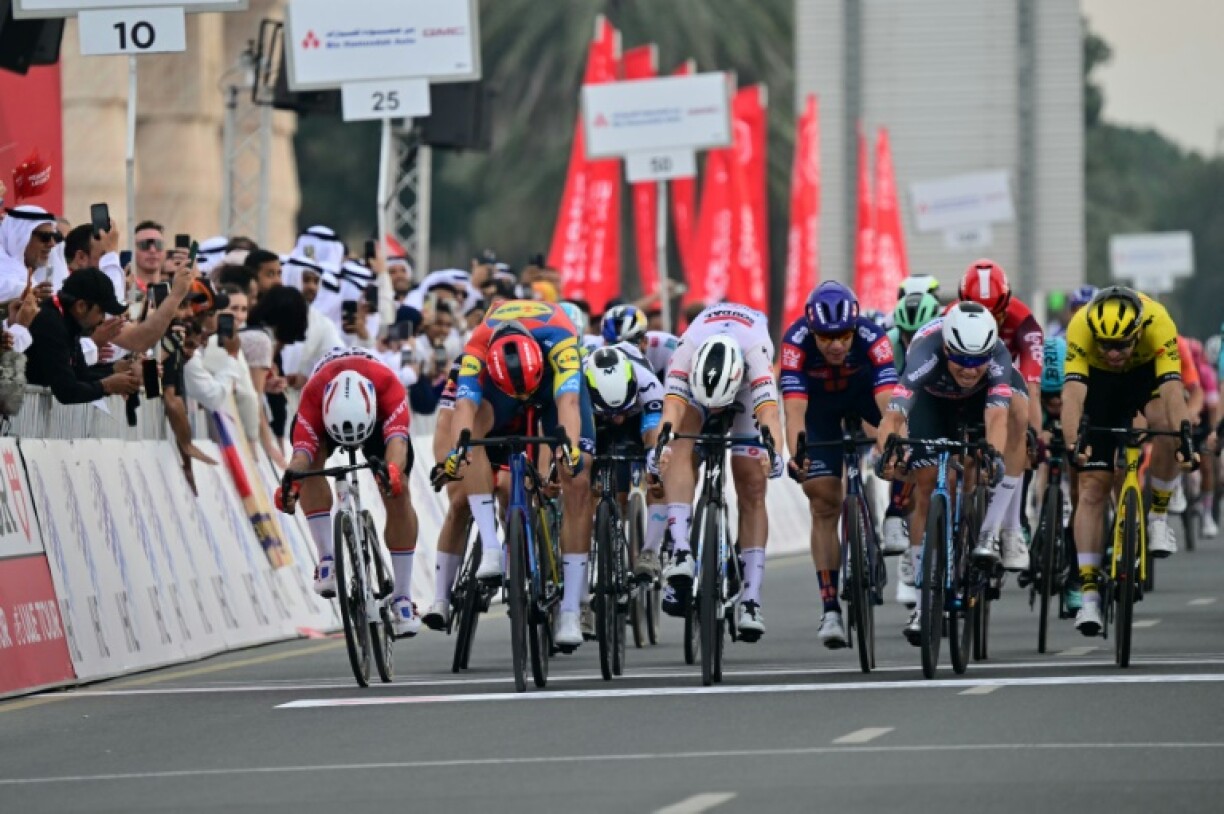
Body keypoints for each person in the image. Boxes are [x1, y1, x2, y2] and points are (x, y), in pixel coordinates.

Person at [437, 299, 594, 648]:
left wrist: (566, 449)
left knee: (579, 478)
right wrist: (457, 451)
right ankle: (491, 546)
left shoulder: (563, 340)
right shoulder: (476, 346)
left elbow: (568, 405)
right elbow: (463, 407)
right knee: (471, 436)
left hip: (550, 381)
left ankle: (570, 610)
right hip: (500, 384)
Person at [875, 302, 1023, 644]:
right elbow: (895, 415)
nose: (970, 369)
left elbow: (996, 418)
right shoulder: (925, 350)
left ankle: (983, 532)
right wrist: (888, 451)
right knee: (928, 485)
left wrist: (994, 456)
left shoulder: (997, 358)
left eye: (977, 361)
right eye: (962, 359)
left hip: (979, 403)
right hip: (933, 401)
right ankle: (923, 600)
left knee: (1005, 428)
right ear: (946, 347)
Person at [1059, 287, 1195, 636]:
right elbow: (1073, 395)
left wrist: (1184, 440)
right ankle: (1088, 595)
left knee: (1165, 425)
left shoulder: (1159, 322)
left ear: (1138, 331)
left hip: (1145, 376)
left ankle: (1159, 516)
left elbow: (1171, 391)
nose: (1114, 352)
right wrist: (1074, 443)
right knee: (1092, 487)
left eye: (1122, 344)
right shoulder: (1080, 326)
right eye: (1106, 344)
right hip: (1098, 385)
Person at [653, 302, 785, 640]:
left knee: (752, 482)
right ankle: (681, 547)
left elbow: (770, 416)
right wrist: (661, 449)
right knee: (680, 447)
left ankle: (751, 600)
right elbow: (670, 412)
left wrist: (775, 453)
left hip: (742, 393)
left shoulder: (757, 354)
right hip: (700, 387)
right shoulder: (686, 350)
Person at [781, 282, 898, 648]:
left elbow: (889, 405)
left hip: (864, 399)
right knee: (823, 501)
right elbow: (794, 412)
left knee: (906, 452)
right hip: (819, 413)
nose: (835, 345)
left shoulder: (873, 337)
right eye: (826, 338)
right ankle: (830, 608)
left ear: (855, 328)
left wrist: (893, 444)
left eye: (844, 337)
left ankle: (894, 514)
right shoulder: (795, 341)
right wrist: (798, 455)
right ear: (812, 331)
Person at [275, 346, 421, 637]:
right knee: (309, 468)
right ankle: (327, 558)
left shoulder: (389, 388)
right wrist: (291, 482)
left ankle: (402, 597)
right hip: (323, 410)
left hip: (377, 418)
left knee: (398, 490)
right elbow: (300, 457)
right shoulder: (312, 397)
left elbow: (397, 446)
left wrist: (391, 473)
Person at [957, 259, 1043, 567]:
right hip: (963, 384)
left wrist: (1033, 433)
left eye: (996, 314)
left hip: (1005, 381)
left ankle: (1006, 530)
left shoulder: (1025, 322)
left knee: (1017, 425)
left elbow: (1032, 386)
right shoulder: (949, 317)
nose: (987, 321)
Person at [584, 345, 668, 580]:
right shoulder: (578, 385)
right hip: (594, 421)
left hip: (638, 418)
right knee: (581, 478)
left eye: (622, 410)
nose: (617, 419)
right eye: (613, 414)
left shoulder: (648, 383)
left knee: (660, 470)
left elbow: (655, 428)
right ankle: (593, 539)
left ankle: (650, 551)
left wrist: (653, 460)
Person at [24, 268, 140, 404]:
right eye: (101, 312)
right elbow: (66, 391)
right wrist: (107, 386)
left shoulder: (67, 322)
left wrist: (116, 372)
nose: (103, 319)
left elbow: (81, 375)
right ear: (81, 306)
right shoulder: (51, 323)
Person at [601, 303, 679, 379]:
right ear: (604, 344)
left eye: (629, 343)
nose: (623, 350)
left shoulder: (666, 346)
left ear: (645, 342)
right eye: (615, 345)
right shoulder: (595, 350)